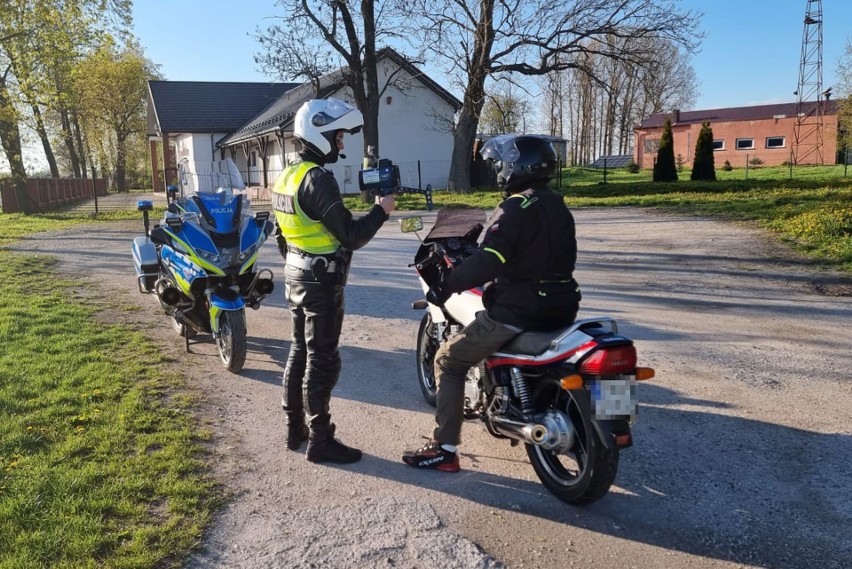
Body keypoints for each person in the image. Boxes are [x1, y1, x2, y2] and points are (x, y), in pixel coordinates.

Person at [402, 134, 581, 472]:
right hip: (562, 305)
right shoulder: (557, 205)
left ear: (515, 167)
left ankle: (445, 449)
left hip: (519, 310)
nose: (497, 169)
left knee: (448, 359)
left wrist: (445, 286)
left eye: (500, 163)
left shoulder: (513, 208)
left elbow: (489, 262)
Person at [272, 98, 395, 464]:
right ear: (320, 133)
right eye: (338, 136)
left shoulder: (286, 175)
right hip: (321, 282)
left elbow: (284, 236)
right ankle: (320, 440)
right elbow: (351, 235)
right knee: (322, 360)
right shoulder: (317, 178)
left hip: (295, 275)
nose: (341, 143)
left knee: (298, 352)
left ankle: (296, 428)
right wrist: (381, 211)